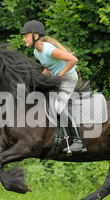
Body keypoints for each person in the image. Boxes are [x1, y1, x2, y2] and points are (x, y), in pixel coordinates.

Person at [20, 20, 87, 154]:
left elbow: (73, 60)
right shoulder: (36, 52)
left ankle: (78, 141)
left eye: (26, 35)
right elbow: (48, 68)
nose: (23, 39)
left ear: (35, 36)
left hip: (68, 78)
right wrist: (38, 80)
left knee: (57, 106)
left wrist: (60, 76)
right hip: (57, 79)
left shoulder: (49, 50)